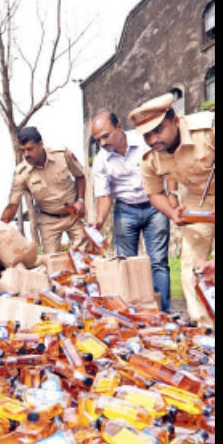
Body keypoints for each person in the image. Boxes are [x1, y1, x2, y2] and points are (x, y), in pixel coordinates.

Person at [130, 93, 216, 328]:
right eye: (147, 134)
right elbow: (154, 193)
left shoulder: (207, 130)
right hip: (198, 199)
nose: (153, 139)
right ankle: (205, 326)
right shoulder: (151, 159)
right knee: (191, 261)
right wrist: (172, 212)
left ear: (175, 121)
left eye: (158, 130)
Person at [89, 110, 170, 311]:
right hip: (125, 210)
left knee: (158, 262)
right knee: (126, 264)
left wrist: (172, 196)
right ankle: (134, 315)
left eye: (105, 136)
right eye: (97, 140)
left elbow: (167, 166)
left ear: (119, 127)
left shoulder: (144, 141)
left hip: (155, 206)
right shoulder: (100, 161)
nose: (102, 143)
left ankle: (164, 314)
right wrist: (99, 220)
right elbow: (104, 195)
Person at [0, 127, 90, 254]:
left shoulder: (62, 155)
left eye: (30, 149)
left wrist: (80, 200)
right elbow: (13, 205)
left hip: (73, 215)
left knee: (85, 256)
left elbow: (80, 176)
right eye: (22, 150)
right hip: (48, 221)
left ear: (41, 145)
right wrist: (0, 225)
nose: (26, 154)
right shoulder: (21, 174)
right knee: (51, 261)